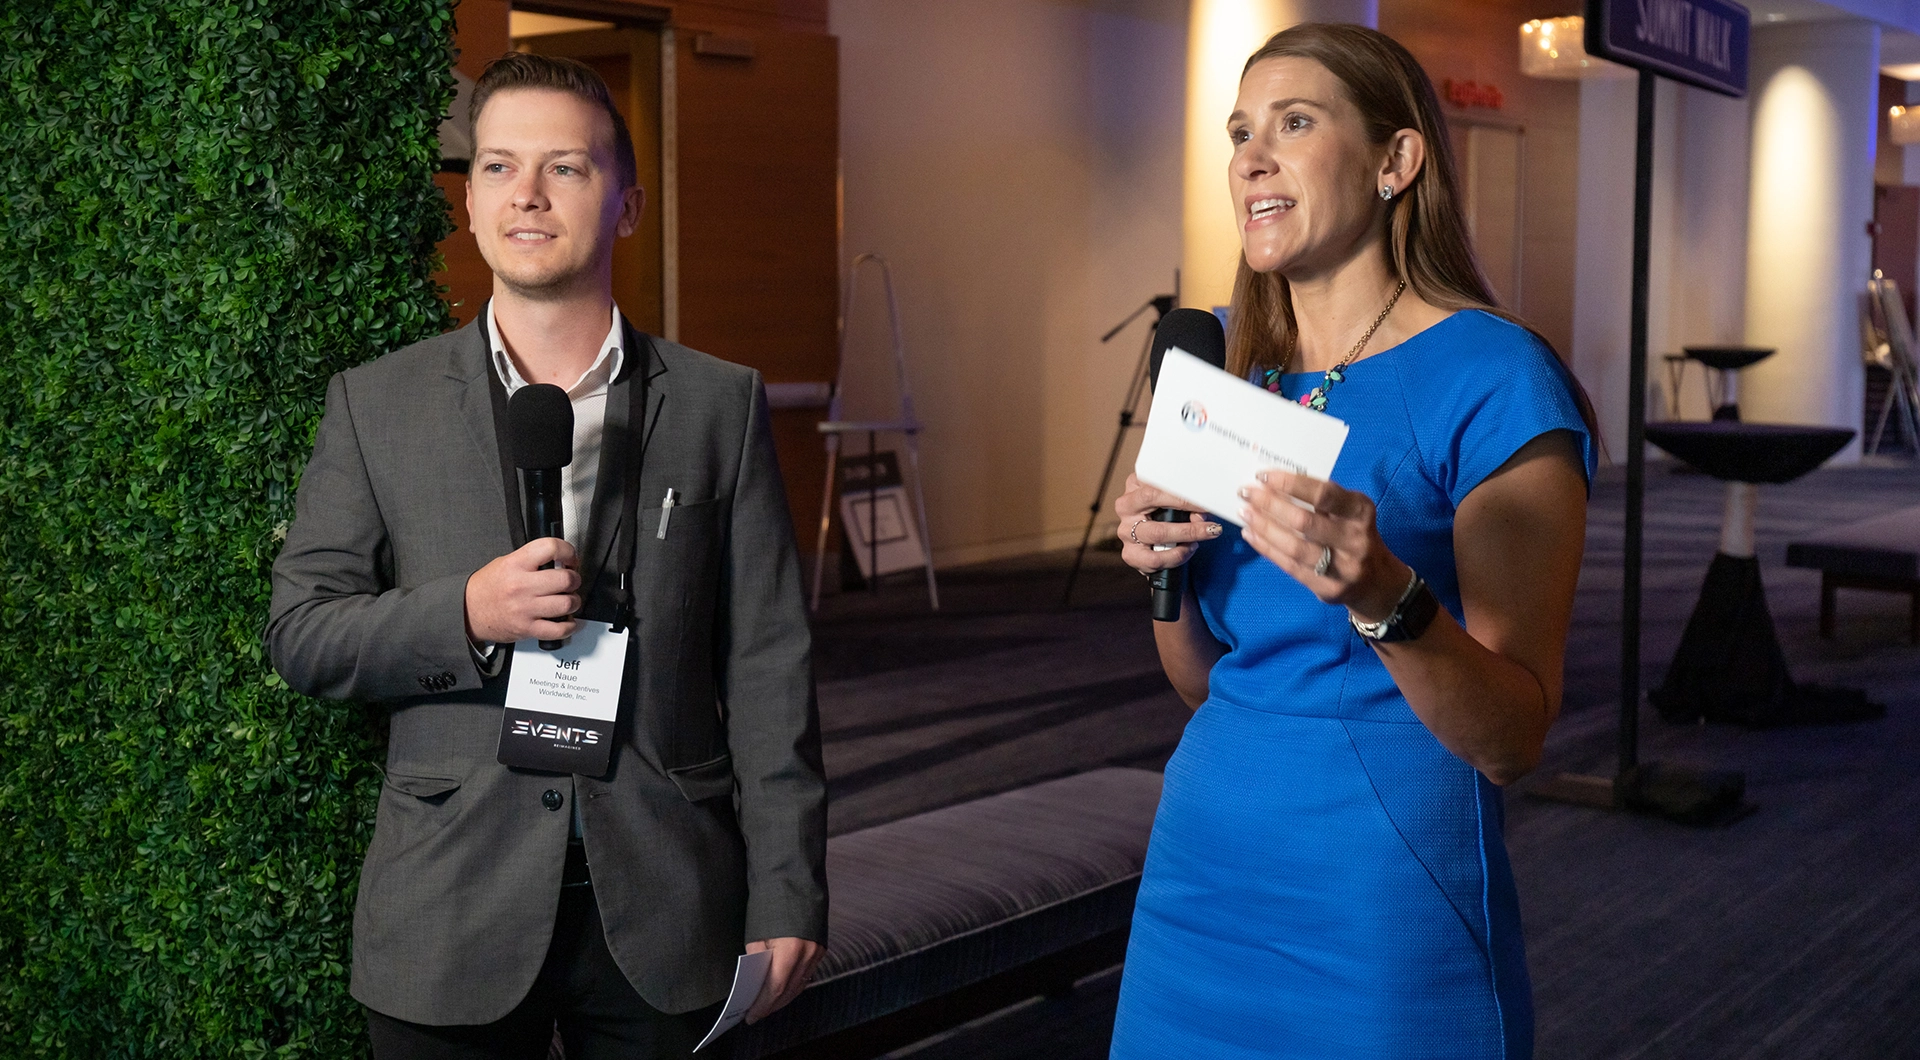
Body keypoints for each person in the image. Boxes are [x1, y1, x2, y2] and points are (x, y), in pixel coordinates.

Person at [267, 53, 826, 1060]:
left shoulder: (716, 404)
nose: (525, 193)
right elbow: (304, 632)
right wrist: (467, 614)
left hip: (670, 899)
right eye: (496, 167)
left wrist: (790, 883)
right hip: (449, 906)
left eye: (563, 167)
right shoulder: (375, 402)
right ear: (472, 203)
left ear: (626, 204)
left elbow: (769, 665)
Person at [1109, 23, 1593, 1060]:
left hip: (1377, 887)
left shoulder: (1498, 379)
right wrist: (1165, 572)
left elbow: (1512, 738)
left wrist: (1384, 593)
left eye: (1294, 122)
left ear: (1395, 160)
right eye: (1241, 132)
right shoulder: (1237, 385)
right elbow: (1208, 680)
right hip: (1203, 865)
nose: (1251, 157)